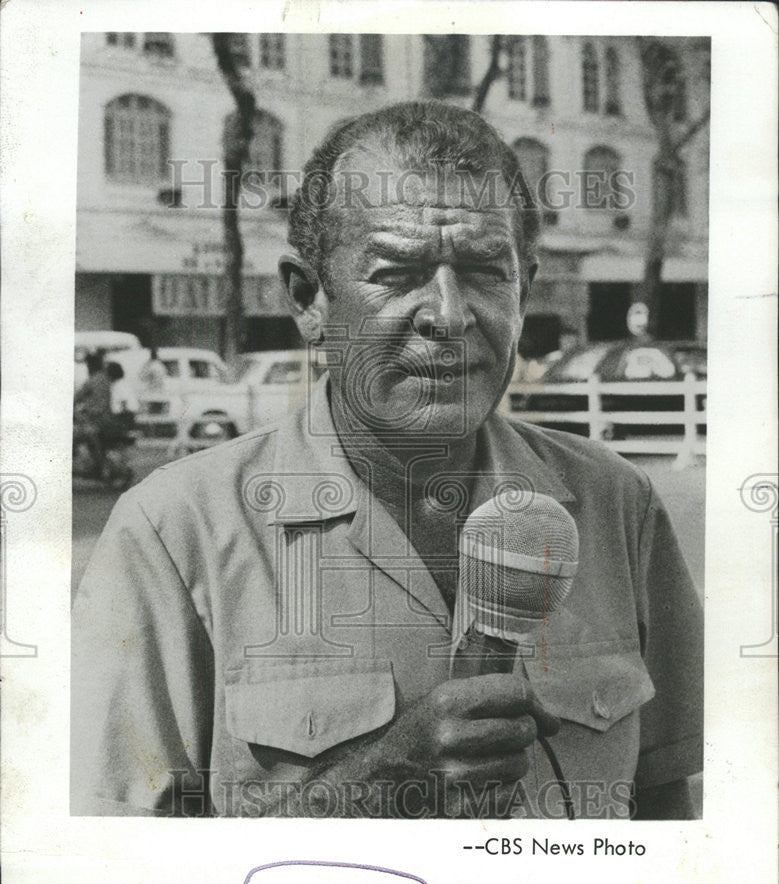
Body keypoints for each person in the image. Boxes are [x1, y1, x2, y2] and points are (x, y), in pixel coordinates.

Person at [71, 101, 702, 820]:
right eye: (397, 273)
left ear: (524, 284)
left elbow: (666, 818)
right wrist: (374, 786)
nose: (448, 314)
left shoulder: (616, 504)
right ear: (308, 299)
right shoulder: (174, 532)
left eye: (484, 272)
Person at [73, 352, 112, 477]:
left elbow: (78, 396)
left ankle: (99, 465)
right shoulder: (104, 378)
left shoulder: (94, 379)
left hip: (97, 420)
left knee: (80, 436)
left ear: (91, 365)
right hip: (103, 418)